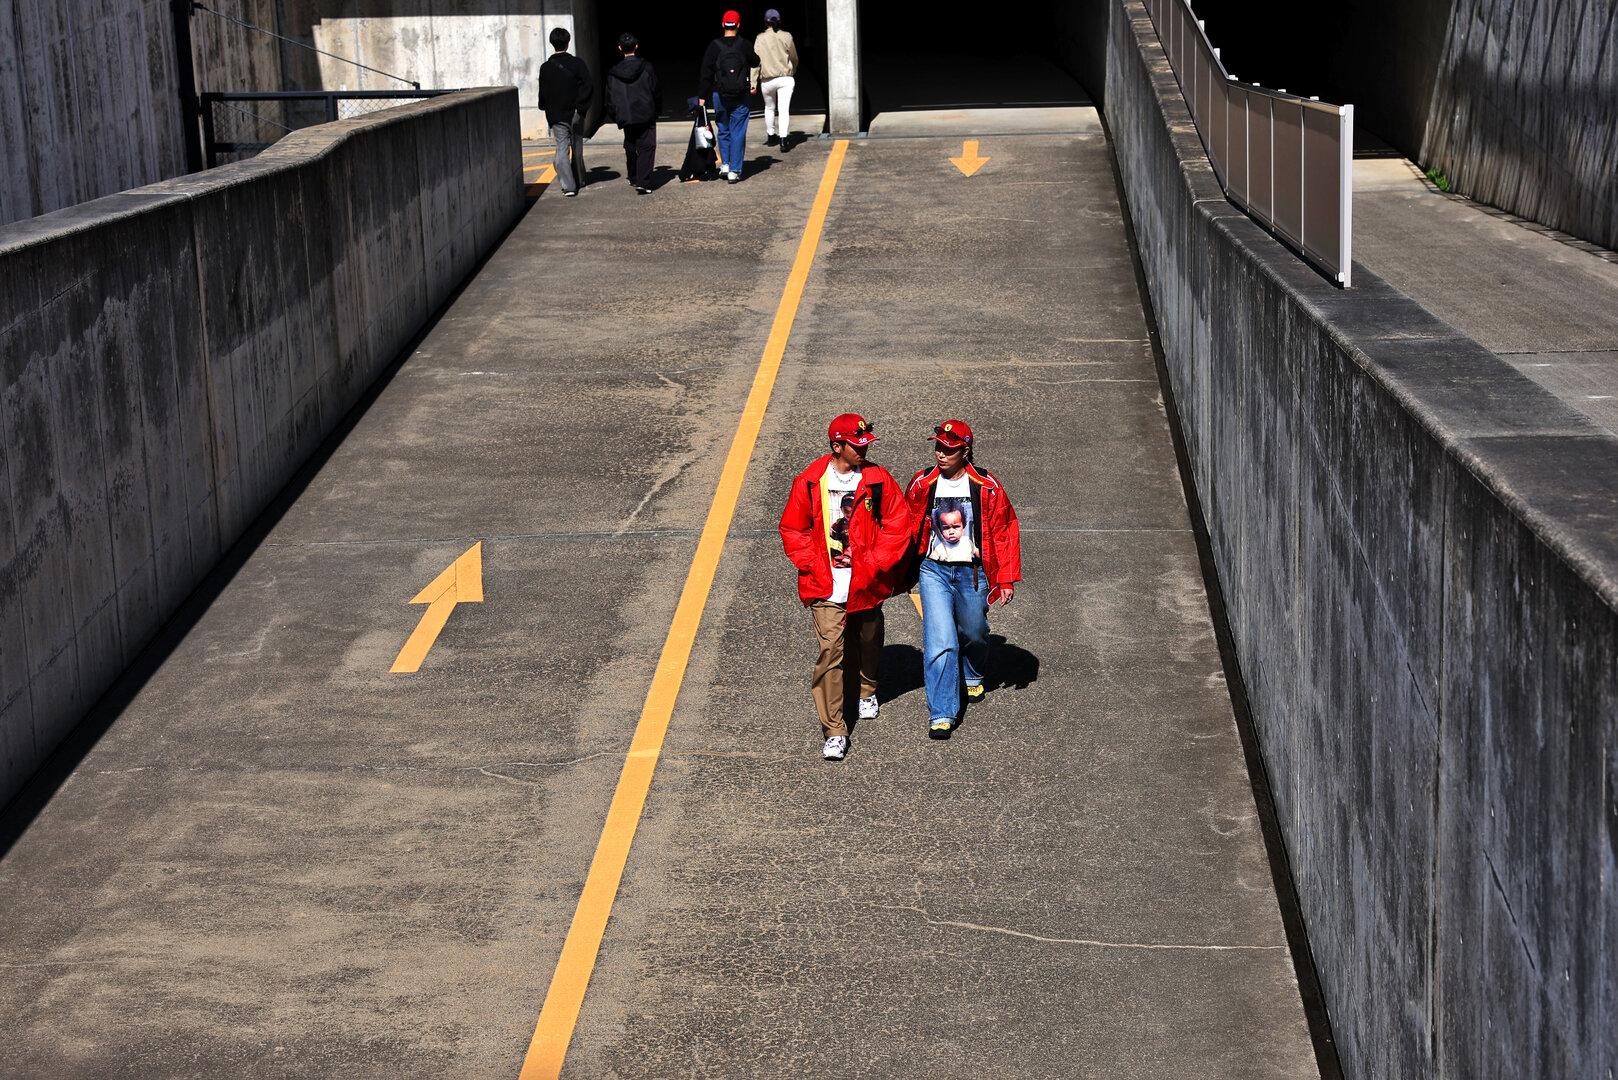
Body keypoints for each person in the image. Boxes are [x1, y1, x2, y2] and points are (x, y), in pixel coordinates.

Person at [780, 414, 913, 760]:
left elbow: (898, 524)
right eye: (858, 444)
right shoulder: (810, 482)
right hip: (826, 585)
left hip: (866, 582)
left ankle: (866, 688)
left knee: (868, 637)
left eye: (867, 442)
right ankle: (835, 730)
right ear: (837, 446)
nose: (865, 448)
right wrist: (811, 563)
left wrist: (876, 563)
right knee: (830, 653)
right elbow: (793, 529)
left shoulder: (877, 478)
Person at [904, 420, 1022, 739]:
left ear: (965, 451)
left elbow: (1004, 529)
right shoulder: (922, 483)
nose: (941, 454)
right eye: (938, 447)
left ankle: (972, 674)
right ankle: (941, 712)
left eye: (949, 449)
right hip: (934, 571)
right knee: (940, 641)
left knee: (975, 631)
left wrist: (1006, 578)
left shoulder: (987, 486)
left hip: (974, 572)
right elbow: (907, 525)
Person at [698, 10, 760, 183]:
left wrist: (702, 96)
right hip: (741, 95)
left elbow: (706, 73)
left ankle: (725, 164)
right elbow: (756, 61)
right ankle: (735, 170)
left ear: (723, 24)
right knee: (738, 131)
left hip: (720, 95)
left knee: (723, 129)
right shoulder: (744, 45)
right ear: (738, 25)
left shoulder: (714, 46)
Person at [537, 26, 592, 196]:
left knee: (562, 147)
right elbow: (588, 86)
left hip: (556, 114)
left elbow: (543, 92)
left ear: (552, 43)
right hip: (575, 113)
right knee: (577, 146)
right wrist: (581, 107)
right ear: (568, 43)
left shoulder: (545, 67)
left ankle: (569, 186)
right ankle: (580, 179)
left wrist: (543, 105)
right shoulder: (577, 64)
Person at [605, 33, 662, 194]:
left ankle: (633, 175)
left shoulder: (613, 72)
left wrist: (615, 115)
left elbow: (609, 98)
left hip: (626, 114)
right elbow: (656, 90)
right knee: (647, 147)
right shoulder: (647, 67)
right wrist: (657, 110)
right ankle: (643, 181)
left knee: (630, 144)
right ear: (636, 47)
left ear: (620, 48)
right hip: (646, 113)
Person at [753, 9, 799, 150]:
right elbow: (794, 57)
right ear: (779, 21)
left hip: (767, 80)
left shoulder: (760, 38)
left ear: (765, 22)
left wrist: (753, 82)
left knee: (769, 108)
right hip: (785, 78)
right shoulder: (786, 36)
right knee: (784, 109)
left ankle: (771, 136)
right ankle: (784, 140)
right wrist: (793, 69)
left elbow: (755, 62)